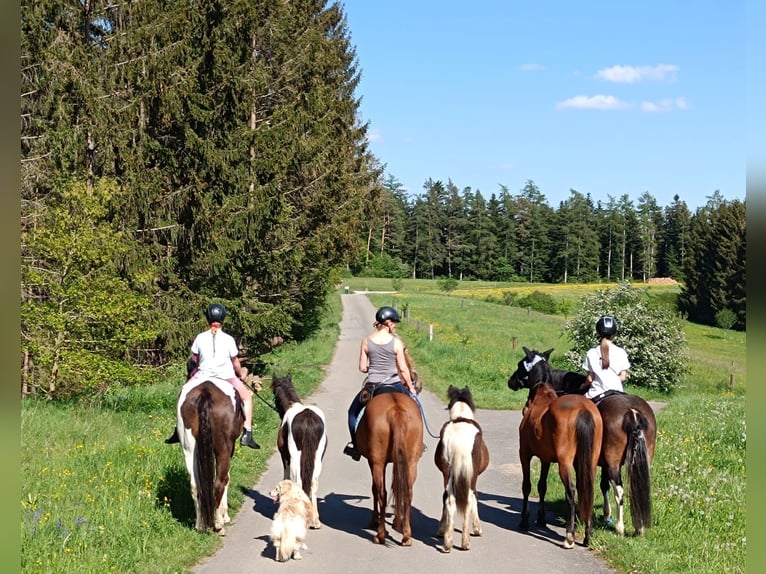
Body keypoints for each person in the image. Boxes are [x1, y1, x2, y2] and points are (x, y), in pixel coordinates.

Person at [165, 303, 261, 449]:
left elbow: (195, 359)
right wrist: (240, 374)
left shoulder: (200, 337)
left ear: (208, 318)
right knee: (247, 398)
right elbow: (235, 362)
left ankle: (178, 429)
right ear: (223, 319)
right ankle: (247, 432)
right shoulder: (229, 339)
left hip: (202, 376)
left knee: (183, 393)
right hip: (226, 376)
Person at [343, 305, 420, 461]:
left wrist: (375, 367)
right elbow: (404, 370)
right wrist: (411, 388)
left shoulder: (366, 341)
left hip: (373, 386)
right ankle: (417, 442)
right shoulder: (396, 343)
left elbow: (362, 367)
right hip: (395, 384)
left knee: (352, 413)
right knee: (415, 408)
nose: (395, 326)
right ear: (389, 323)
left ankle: (355, 446)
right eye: (394, 323)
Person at [581, 315, 630, 402]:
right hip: (617, 393)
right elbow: (623, 377)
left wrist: (583, 386)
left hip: (596, 393)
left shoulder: (591, 352)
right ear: (614, 333)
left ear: (598, 333)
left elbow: (590, 379)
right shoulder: (621, 352)